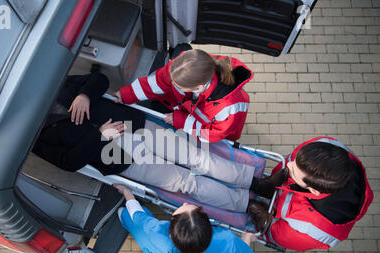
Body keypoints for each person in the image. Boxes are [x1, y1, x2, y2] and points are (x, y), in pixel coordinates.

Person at [32, 72, 259, 213]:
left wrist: (84, 95)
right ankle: (243, 205)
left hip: (136, 126)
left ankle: (254, 181)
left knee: (197, 157)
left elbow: (100, 79)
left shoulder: (56, 87)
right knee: (187, 183)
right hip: (119, 158)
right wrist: (100, 135)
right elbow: (69, 162)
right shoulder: (34, 138)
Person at [113, 184, 257, 253]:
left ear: (170, 233)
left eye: (183, 208)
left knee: (126, 215)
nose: (185, 202)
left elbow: (137, 216)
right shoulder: (227, 239)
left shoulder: (156, 234)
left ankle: (120, 214)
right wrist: (247, 238)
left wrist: (127, 192)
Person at [247, 137, 374, 251]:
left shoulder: (311, 231)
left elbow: (273, 235)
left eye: (294, 173)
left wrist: (261, 217)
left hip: (278, 222)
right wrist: (273, 183)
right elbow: (292, 162)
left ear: (313, 191)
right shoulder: (324, 148)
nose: (289, 164)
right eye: (295, 163)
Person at [112, 48, 253, 143]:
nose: (171, 83)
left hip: (213, 131)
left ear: (197, 87)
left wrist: (181, 121)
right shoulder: (182, 67)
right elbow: (157, 81)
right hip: (187, 114)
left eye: (178, 85)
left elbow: (212, 134)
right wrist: (126, 94)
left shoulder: (228, 108)